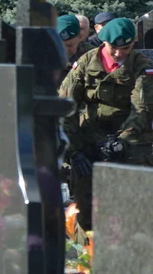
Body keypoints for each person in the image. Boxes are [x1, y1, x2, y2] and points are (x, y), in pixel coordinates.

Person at [59, 18, 153, 230]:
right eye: (114, 48)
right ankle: (87, 251)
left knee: (134, 199)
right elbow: (65, 106)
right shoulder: (86, 62)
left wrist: (121, 141)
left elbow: (142, 109)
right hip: (90, 136)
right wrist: (74, 151)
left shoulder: (142, 67)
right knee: (85, 200)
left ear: (134, 42)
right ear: (103, 42)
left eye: (126, 48)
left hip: (129, 138)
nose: (119, 54)